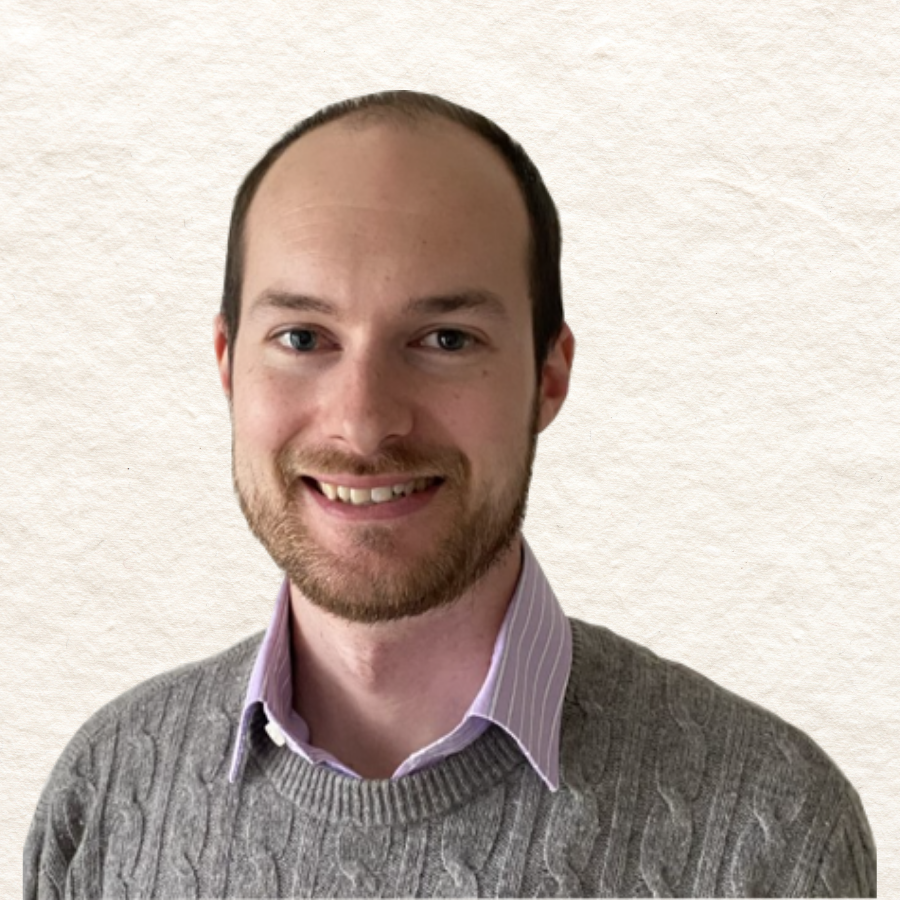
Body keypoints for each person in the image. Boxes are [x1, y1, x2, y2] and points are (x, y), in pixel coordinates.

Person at [24, 91, 876, 899]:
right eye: (303, 338)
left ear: (548, 376)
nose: (363, 424)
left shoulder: (769, 830)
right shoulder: (107, 793)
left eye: (445, 339)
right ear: (227, 365)